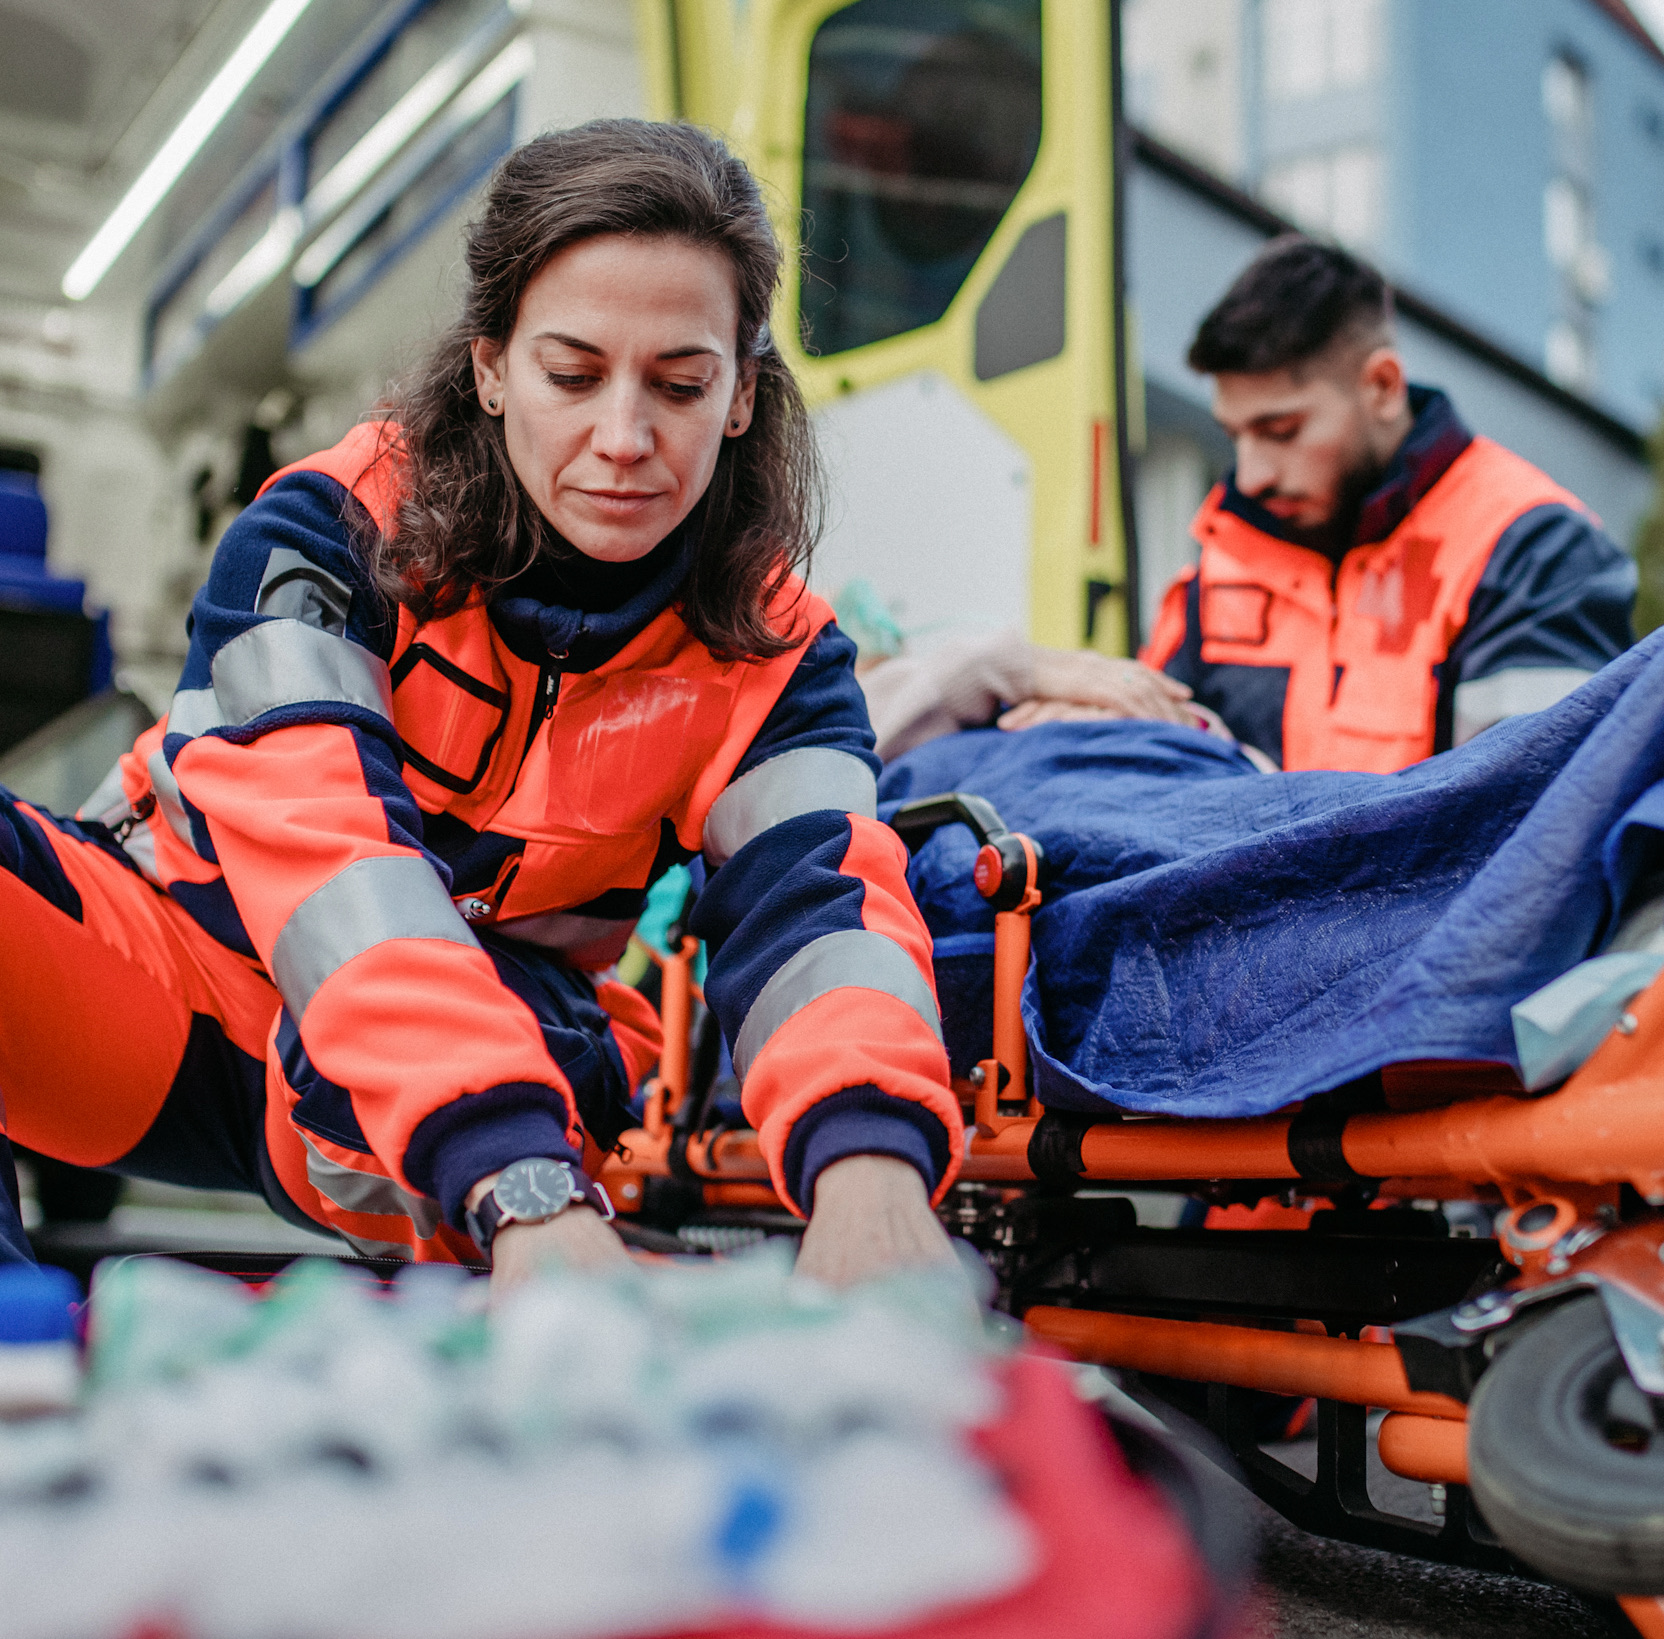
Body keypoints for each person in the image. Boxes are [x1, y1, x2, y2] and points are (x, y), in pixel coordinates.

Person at [0, 120, 962, 1292]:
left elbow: (822, 912)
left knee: (567, 1031)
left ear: (743, 397)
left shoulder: (777, 653)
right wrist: (523, 1182)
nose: (623, 438)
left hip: (404, 1110)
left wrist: (872, 1167)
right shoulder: (325, 538)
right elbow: (331, 862)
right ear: (490, 370)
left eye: (680, 383)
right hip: (159, 1002)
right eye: (571, 374)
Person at [1138, 237, 1636, 774]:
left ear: (1381, 386)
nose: (1252, 475)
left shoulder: (1533, 550)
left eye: (1281, 432)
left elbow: (1528, 815)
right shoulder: (1228, 555)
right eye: (1235, 435)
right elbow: (1147, 769)